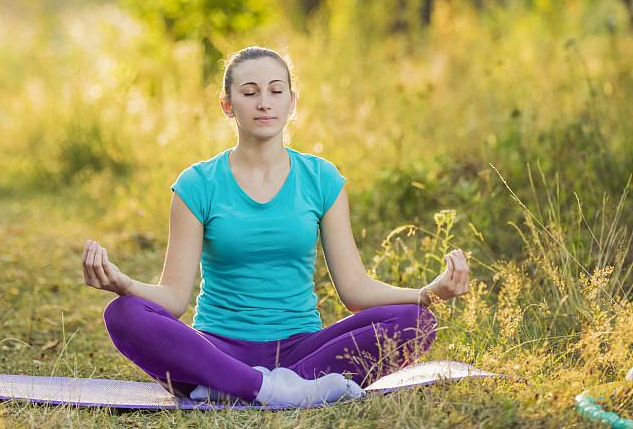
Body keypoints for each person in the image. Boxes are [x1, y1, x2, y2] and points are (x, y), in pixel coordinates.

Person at [82, 46, 469, 407]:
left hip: (303, 348)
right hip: (217, 349)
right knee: (123, 314)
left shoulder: (321, 178)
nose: (264, 102)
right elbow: (173, 298)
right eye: (249, 92)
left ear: (291, 102)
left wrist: (428, 293)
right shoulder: (197, 183)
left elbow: (355, 290)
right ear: (227, 105)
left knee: (415, 320)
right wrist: (125, 286)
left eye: (275, 91)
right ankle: (273, 389)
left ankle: (239, 387)